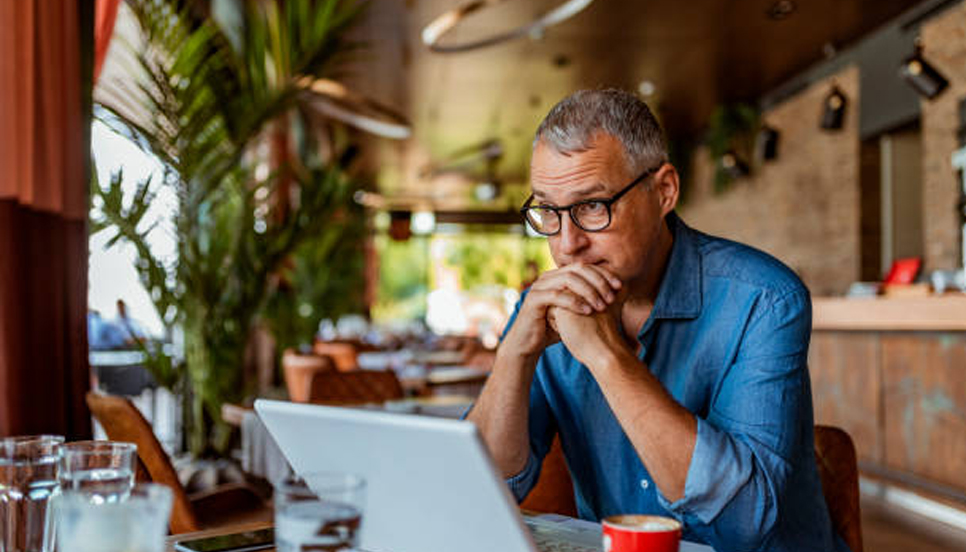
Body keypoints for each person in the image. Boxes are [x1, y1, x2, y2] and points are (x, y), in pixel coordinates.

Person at [466, 89, 848, 552]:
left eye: (591, 207)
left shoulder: (764, 299)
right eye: (548, 210)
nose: (566, 245)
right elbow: (481, 495)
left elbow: (745, 522)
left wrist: (606, 356)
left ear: (663, 191)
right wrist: (513, 354)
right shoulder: (543, 311)